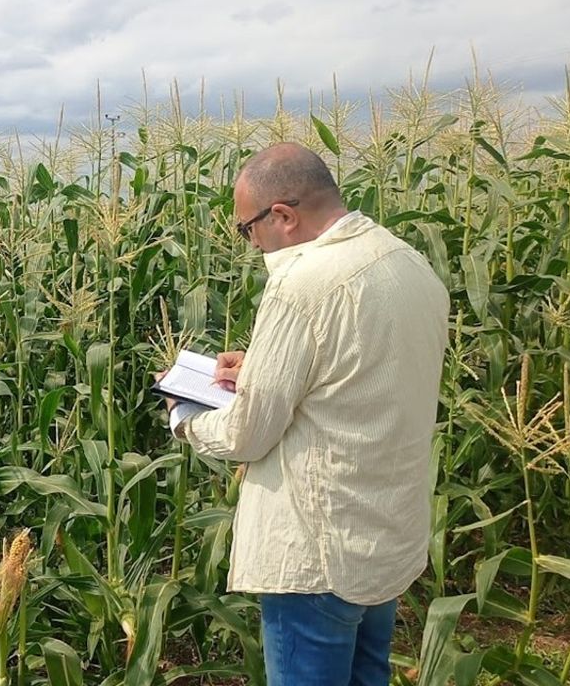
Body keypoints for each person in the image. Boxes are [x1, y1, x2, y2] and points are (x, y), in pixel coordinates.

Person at [161, 143, 448, 685]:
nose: (252, 244)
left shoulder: (302, 284)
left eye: (247, 229)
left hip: (318, 555)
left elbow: (246, 434)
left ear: (283, 216)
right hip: (385, 539)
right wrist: (261, 367)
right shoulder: (407, 261)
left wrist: (185, 415)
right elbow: (360, 369)